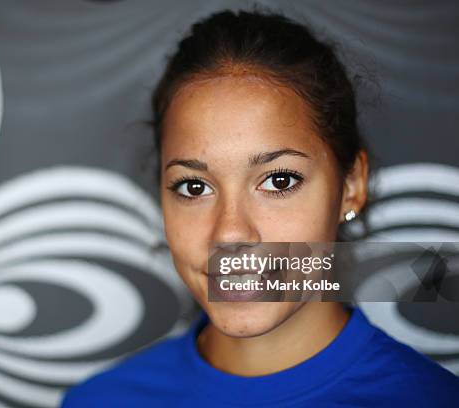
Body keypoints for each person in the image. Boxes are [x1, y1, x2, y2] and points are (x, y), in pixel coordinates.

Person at [61, 8, 459, 407]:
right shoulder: (100, 400)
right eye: (194, 186)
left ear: (350, 187)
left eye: (279, 181)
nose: (230, 233)